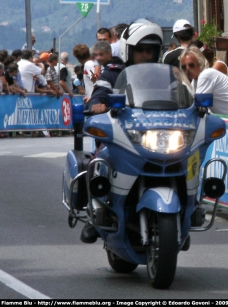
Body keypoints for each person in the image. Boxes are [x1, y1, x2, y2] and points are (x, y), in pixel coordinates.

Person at [81, 19, 164, 244]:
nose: (146, 55)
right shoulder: (113, 73)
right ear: (129, 50)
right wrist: (97, 104)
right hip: (122, 137)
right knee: (100, 161)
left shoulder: (164, 76)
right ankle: (95, 211)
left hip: (153, 137)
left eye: (151, 50)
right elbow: (99, 93)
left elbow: (181, 96)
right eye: (141, 50)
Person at [180, 46, 228, 117]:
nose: (187, 69)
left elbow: (200, 107)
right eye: (184, 67)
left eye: (191, 65)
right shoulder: (194, 82)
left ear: (199, 63)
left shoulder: (206, 75)